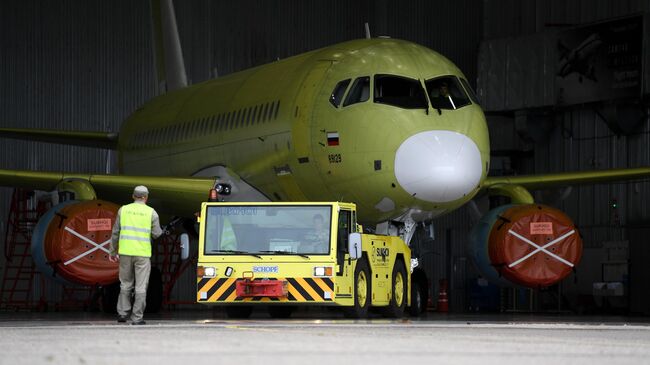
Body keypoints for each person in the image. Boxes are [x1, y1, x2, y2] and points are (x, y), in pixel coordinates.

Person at [109, 185, 163, 325]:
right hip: (142, 255)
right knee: (140, 286)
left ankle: (122, 314)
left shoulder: (123, 210)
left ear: (133, 196)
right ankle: (137, 318)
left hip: (125, 252)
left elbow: (115, 232)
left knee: (125, 284)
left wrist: (112, 251)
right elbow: (157, 234)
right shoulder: (152, 213)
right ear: (146, 197)